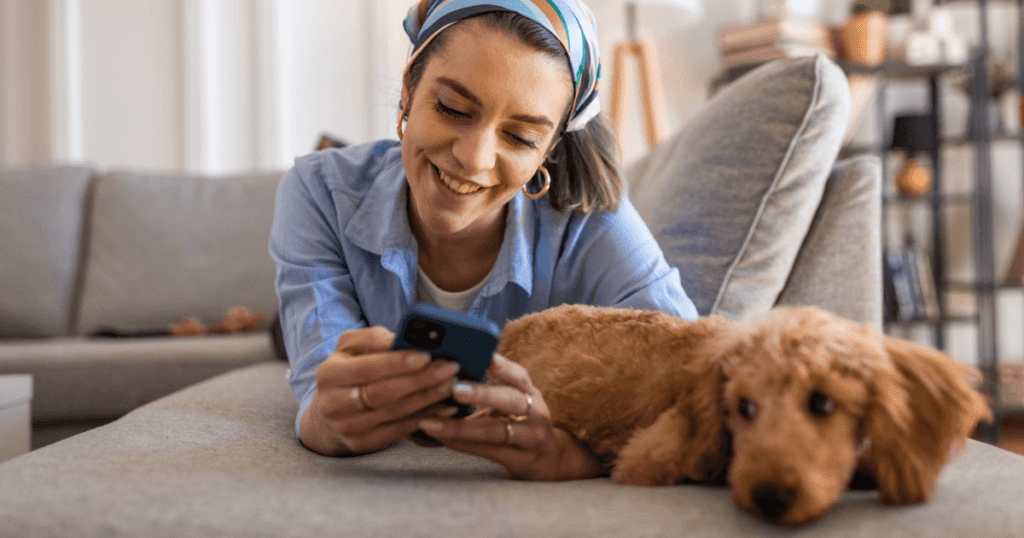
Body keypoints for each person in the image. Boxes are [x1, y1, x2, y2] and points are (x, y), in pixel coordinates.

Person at [269, 0, 697, 481]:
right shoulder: (320, 190)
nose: (474, 160)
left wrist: (567, 455)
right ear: (409, 87)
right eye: (452, 108)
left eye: (519, 138)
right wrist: (326, 421)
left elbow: (695, 382)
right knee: (280, 336)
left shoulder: (592, 223)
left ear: (549, 150)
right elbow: (317, 391)